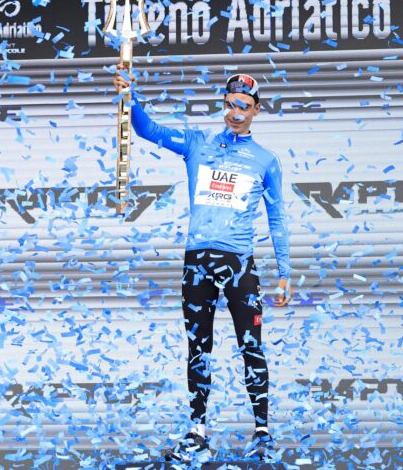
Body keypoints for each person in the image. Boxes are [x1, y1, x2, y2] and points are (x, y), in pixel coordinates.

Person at [113, 68, 293, 462]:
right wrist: (131, 97)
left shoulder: (266, 160)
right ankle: (198, 431)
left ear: (257, 110)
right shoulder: (198, 143)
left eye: (243, 106)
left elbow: (277, 217)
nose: (235, 113)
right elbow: (147, 130)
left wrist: (285, 274)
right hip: (197, 263)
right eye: (230, 104)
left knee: (251, 346)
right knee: (198, 346)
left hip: (239, 264)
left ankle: (262, 432)